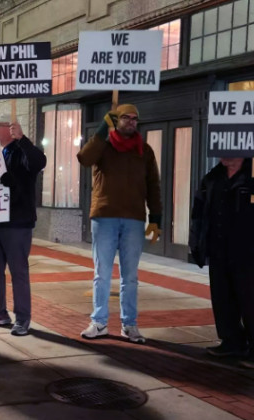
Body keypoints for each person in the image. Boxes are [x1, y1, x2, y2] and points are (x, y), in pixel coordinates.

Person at [76, 104, 162, 344]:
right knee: (102, 273)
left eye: (135, 119)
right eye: (126, 117)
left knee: (130, 277)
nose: (132, 122)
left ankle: (129, 324)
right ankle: (99, 322)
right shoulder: (104, 146)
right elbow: (84, 158)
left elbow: (153, 185)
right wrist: (103, 129)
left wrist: (156, 217)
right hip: (105, 217)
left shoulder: (144, 150)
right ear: (117, 120)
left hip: (134, 219)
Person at [190, 158, 254, 369]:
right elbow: (198, 211)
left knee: (251, 301)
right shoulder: (212, 177)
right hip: (218, 249)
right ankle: (232, 342)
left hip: (247, 251)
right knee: (222, 299)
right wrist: (196, 242)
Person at [0, 114, 47, 336]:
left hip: (17, 223)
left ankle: (22, 318)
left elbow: (39, 162)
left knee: (18, 272)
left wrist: (23, 139)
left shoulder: (22, 151)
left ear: (9, 129)